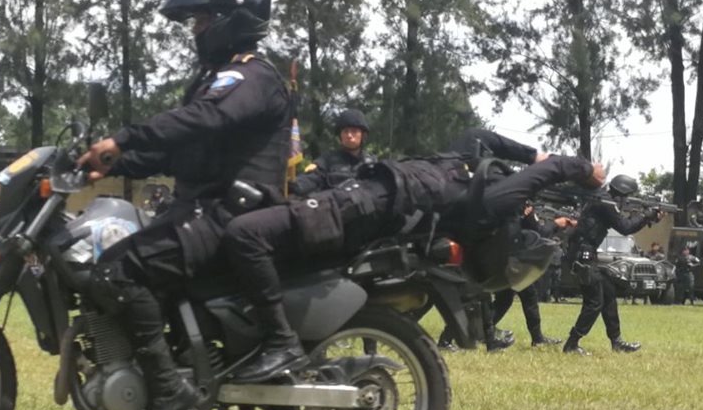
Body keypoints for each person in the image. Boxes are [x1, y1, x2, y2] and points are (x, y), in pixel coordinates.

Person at [76, 0, 292, 410]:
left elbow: (205, 118)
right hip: (204, 207)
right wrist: (113, 162)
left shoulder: (251, 75)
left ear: (228, 19)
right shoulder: (218, 78)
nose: (194, 31)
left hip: (230, 212)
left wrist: (124, 137)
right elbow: (182, 153)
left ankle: (168, 391)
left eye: (200, 20)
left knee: (119, 270)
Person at [224, 128, 605, 381]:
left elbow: (530, 161)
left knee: (248, 233)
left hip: (359, 205)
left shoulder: (475, 191)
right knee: (250, 227)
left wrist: (569, 165)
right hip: (359, 200)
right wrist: (564, 162)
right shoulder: (477, 192)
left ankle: (280, 347)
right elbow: (511, 151)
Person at [562, 175, 665, 355]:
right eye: (627, 195)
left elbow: (625, 222)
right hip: (582, 254)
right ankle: (572, 343)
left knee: (608, 292)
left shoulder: (604, 200)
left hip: (585, 252)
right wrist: (646, 215)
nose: (626, 199)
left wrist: (647, 218)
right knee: (594, 301)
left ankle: (616, 341)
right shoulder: (606, 203)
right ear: (623, 192)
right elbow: (625, 227)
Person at [491, 203, 575, 346]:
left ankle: (481, 329)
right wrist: (555, 224)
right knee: (526, 298)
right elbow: (540, 233)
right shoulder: (520, 207)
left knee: (505, 299)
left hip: (506, 258)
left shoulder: (509, 204)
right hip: (513, 261)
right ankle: (537, 338)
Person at [293, 108, 375, 195]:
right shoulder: (327, 160)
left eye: (354, 131)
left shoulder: (372, 164)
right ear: (340, 135)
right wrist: (294, 185)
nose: (349, 135)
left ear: (364, 135)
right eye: (345, 131)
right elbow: (311, 178)